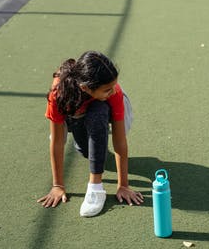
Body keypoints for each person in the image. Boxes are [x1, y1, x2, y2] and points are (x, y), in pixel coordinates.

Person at [37, 50, 143, 217]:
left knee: (99, 111)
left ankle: (95, 188)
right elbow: (57, 141)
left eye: (113, 86)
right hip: (75, 112)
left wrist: (123, 185)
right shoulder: (59, 94)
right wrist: (58, 185)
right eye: (107, 89)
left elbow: (119, 140)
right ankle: (86, 137)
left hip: (101, 109)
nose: (113, 91)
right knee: (86, 151)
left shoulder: (115, 94)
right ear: (85, 88)